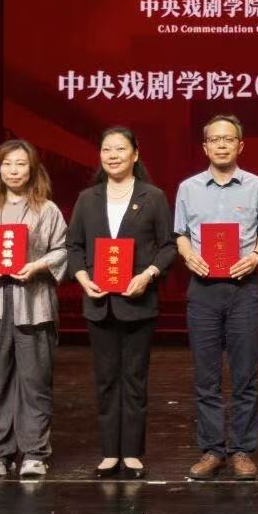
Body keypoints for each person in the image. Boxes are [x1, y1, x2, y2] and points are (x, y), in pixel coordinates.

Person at [66, 127, 176, 480]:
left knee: (134, 379)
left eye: (120, 149)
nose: (113, 155)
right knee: (105, 380)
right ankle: (109, 453)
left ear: (135, 154)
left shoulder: (153, 197)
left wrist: (148, 275)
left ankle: (131, 453)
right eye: (107, 149)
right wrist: (83, 278)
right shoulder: (88, 199)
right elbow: (74, 246)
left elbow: (168, 246)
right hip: (99, 303)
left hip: (138, 301)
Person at [0, 139, 68, 480]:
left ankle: (35, 452)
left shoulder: (47, 210)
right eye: (7, 164)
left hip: (34, 303)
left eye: (21, 164)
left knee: (34, 381)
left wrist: (36, 266)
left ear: (32, 169)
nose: (13, 171)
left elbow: (63, 250)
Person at [174, 114, 258, 480]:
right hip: (202, 290)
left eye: (228, 139)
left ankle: (242, 450)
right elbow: (180, 233)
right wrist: (188, 255)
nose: (221, 145)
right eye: (214, 139)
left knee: (245, 374)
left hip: (243, 288)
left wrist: (256, 256)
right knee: (207, 376)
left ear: (240, 145)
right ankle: (212, 450)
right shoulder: (188, 188)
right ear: (205, 147)